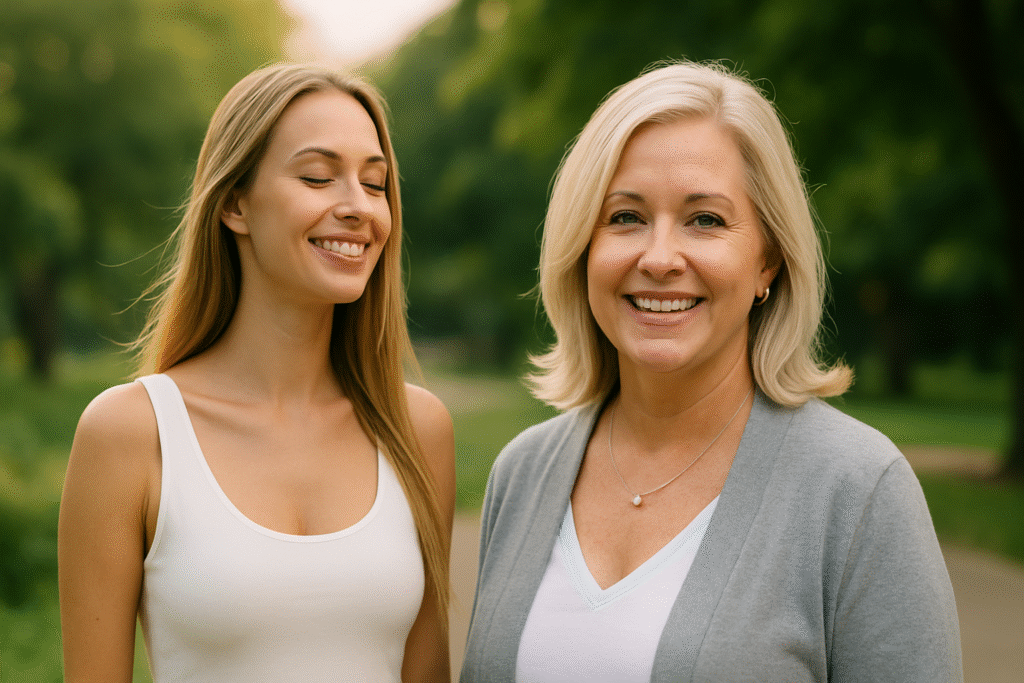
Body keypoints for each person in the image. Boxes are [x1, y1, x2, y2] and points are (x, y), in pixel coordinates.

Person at [460, 61, 961, 682]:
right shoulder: (522, 474)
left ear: (767, 262)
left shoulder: (857, 489)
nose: (661, 257)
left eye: (706, 220)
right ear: (581, 249)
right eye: (625, 217)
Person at [58, 63, 455, 682]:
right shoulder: (130, 434)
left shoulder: (416, 428)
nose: (358, 208)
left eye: (375, 184)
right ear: (236, 204)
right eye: (319, 177)